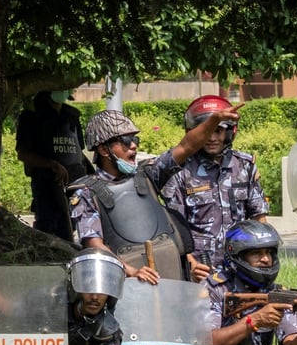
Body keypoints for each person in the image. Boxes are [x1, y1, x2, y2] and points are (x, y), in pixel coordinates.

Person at [69, 106, 239, 284]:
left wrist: (214, 120)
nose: (133, 145)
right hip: (128, 290)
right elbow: (94, 245)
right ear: (104, 150)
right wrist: (131, 272)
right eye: (126, 140)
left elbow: (186, 146)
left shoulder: (148, 174)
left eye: (134, 139)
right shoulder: (86, 192)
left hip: (172, 282)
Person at [161, 95, 268, 281]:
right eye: (206, 131)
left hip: (240, 268)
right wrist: (190, 265)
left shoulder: (245, 166)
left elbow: (259, 219)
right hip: (198, 271)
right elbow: (172, 229)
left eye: (218, 131)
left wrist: (263, 256)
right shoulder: (180, 171)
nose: (211, 138)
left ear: (230, 132)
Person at [16, 90, 92, 242]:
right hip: (46, 186)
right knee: (49, 230)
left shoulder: (72, 115)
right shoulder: (31, 116)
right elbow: (23, 153)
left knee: (76, 227)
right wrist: (52, 165)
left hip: (75, 184)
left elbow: (78, 149)